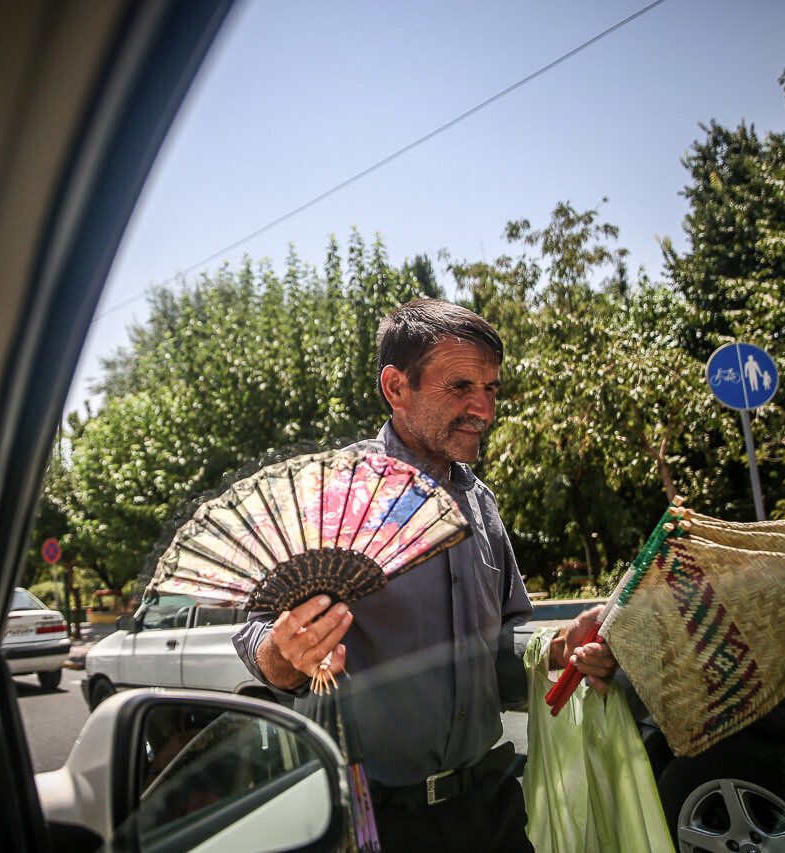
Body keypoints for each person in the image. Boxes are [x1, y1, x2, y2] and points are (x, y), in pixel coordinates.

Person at [233, 298, 618, 851]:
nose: (482, 409)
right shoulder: (337, 495)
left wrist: (557, 648)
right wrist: (285, 654)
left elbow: (497, 648)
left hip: (492, 806)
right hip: (379, 823)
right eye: (460, 386)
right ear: (396, 388)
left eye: (490, 389)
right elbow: (256, 635)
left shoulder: (480, 505)